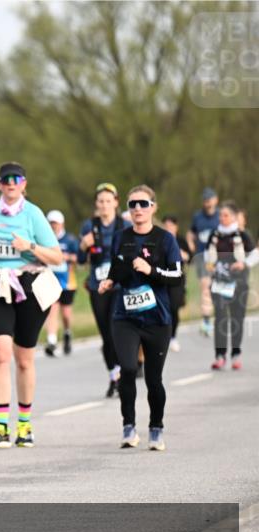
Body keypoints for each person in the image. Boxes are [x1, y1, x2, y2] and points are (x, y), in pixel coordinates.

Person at [0, 162, 63, 448]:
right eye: (5, 180)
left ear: (24, 184)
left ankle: (24, 425)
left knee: (24, 359)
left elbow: (57, 257)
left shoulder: (33, 214)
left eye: (16, 179)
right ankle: (0, 426)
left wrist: (30, 248)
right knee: (0, 353)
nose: (11, 184)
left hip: (29, 288)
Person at [98, 185, 182, 451]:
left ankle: (156, 428)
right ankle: (128, 426)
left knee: (153, 380)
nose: (137, 209)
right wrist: (109, 281)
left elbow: (177, 276)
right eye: (133, 204)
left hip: (157, 318)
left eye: (143, 204)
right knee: (129, 369)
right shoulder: (121, 237)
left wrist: (151, 269)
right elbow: (118, 266)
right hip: (126, 316)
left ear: (153, 207)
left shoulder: (166, 239)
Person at [78, 182, 131, 397]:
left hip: (119, 285)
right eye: (101, 201)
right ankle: (114, 375)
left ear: (116, 203)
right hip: (97, 286)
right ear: (96, 204)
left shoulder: (124, 225)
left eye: (109, 201)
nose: (105, 205)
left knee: (115, 329)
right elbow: (82, 260)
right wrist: (83, 246)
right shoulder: (88, 226)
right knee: (106, 336)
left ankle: (122, 373)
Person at [204, 201, 258, 370]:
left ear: (234, 217)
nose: (222, 218)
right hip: (220, 283)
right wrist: (210, 264)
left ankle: (235, 354)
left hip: (239, 283)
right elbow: (207, 254)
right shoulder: (215, 234)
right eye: (220, 215)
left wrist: (244, 264)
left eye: (226, 215)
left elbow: (255, 255)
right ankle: (220, 355)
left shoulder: (242, 235)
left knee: (237, 319)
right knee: (220, 317)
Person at [44, 210, 80, 357]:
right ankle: (51, 341)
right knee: (52, 310)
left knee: (65, 314)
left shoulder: (70, 239)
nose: (53, 226)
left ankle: (66, 333)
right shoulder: (44, 239)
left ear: (62, 224)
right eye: (51, 223)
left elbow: (79, 258)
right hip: (50, 281)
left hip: (67, 282)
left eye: (56, 223)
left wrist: (66, 257)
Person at [189, 187, 220, 337]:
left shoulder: (221, 216)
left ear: (216, 200)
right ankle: (206, 321)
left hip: (219, 257)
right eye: (205, 200)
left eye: (210, 199)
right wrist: (191, 243)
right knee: (205, 287)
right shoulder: (197, 217)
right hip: (202, 256)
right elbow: (191, 232)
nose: (207, 203)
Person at [161, 215, 190, 352]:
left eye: (171, 226)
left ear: (176, 227)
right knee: (162, 308)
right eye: (166, 226)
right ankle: (164, 336)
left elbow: (190, 257)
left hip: (177, 279)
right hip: (162, 278)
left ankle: (173, 337)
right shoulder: (160, 239)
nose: (168, 228)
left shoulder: (181, 240)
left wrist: (184, 255)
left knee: (174, 308)